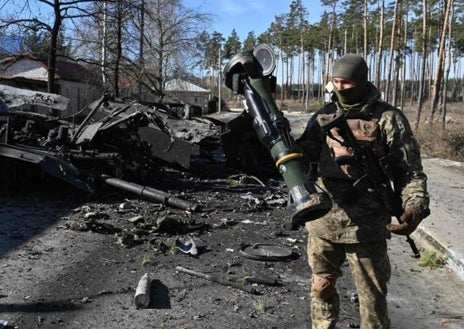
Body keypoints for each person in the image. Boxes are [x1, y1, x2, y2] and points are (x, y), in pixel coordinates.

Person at [296, 53, 430, 329]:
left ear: (361, 81)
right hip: (324, 222)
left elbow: (409, 170)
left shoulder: (388, 119)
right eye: (336, 82)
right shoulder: (323, 117)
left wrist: (414, 206)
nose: (340, 88)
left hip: (367, 227)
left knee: (372, 302)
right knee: (321, 289)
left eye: (347, 83)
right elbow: (303, 160)